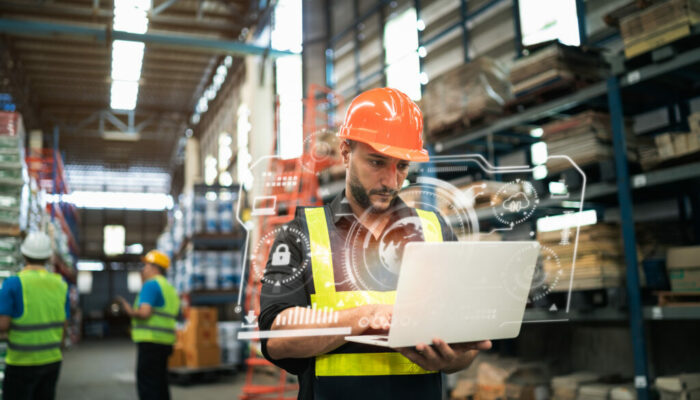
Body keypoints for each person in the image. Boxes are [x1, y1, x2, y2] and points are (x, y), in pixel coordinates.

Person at [258, 87, 492, 399]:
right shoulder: (302, 234)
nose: (391, 181)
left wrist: (455, 359)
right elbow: (276, 335)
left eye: (402, 166)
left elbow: (465, 336)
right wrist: (364, 317)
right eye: (377, 162)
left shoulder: (434, 229)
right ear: (345, 152)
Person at [0, 231, 70, 400]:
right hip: (52, 360)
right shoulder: (60, 284)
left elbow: (2, 325)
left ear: (23, 254)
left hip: (21, 362)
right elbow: (64, 326)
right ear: (48, 257)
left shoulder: (13, 283)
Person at [118, 250, 179, 400]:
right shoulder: (169, 288)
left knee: (148, 384)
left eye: (145, 265)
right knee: (160, 382)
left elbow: (145, 313)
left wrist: (130, 311)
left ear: (154, 268)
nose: (143, 269)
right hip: (166, 342)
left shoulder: (150, 285)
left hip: (150, 341)